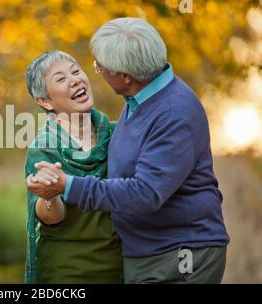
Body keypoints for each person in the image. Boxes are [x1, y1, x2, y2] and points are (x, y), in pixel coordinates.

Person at [27, 18, 230, 284]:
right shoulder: (138, 101)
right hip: (142, 255)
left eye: (100, 66)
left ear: (125, 76)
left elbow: (144, 193)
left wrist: (68, 185)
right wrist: (51, 194)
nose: (94, 70)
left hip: (178, 255)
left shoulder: (172, 114)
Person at [24, 50, 123, 284]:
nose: (75, 79)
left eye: (76, 71)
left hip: (121, 268)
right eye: (60, 79)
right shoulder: (43, 149)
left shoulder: (119, 133)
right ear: (44, 101)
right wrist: (49, 196)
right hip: (67, 273)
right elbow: (51, 219)